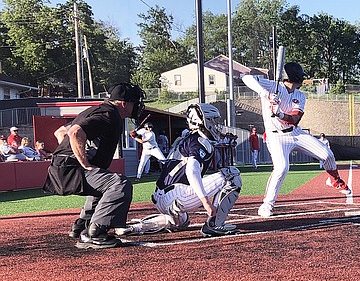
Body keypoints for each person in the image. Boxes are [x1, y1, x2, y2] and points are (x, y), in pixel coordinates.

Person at [43, 82, 146, 249]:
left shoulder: (96, 110)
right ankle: (96, 233)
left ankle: (81, 226)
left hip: (62, 167)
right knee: (119, 184)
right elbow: (75, 133)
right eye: (135, 102)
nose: (138, 106)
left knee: (104, 182)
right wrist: (84, 163)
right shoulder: (109, 115)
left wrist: (72, 154)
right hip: (71, 170)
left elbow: (60, 132)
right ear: (124, 103)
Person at [242, 62, 351, 218]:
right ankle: (266, 205)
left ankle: (334, 180)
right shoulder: (273, 86)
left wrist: (280, 114)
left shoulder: (300, 95)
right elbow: (246, 78)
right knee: (281, 168)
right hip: (275, 136)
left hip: (295, 133)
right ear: (296, 77)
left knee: (327, 154)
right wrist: (265, 94)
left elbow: (294, 119)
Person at [118, 103, 241, 237]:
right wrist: (205, 202)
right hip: (177, 195)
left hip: (161, 197)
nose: (216, 125)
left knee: (181, 222)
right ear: (204, 121)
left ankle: (136, 227)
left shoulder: (186, 138)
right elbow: (192, 170)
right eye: (213, 120)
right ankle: (215, 225)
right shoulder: (199, 141)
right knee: (232, 174)